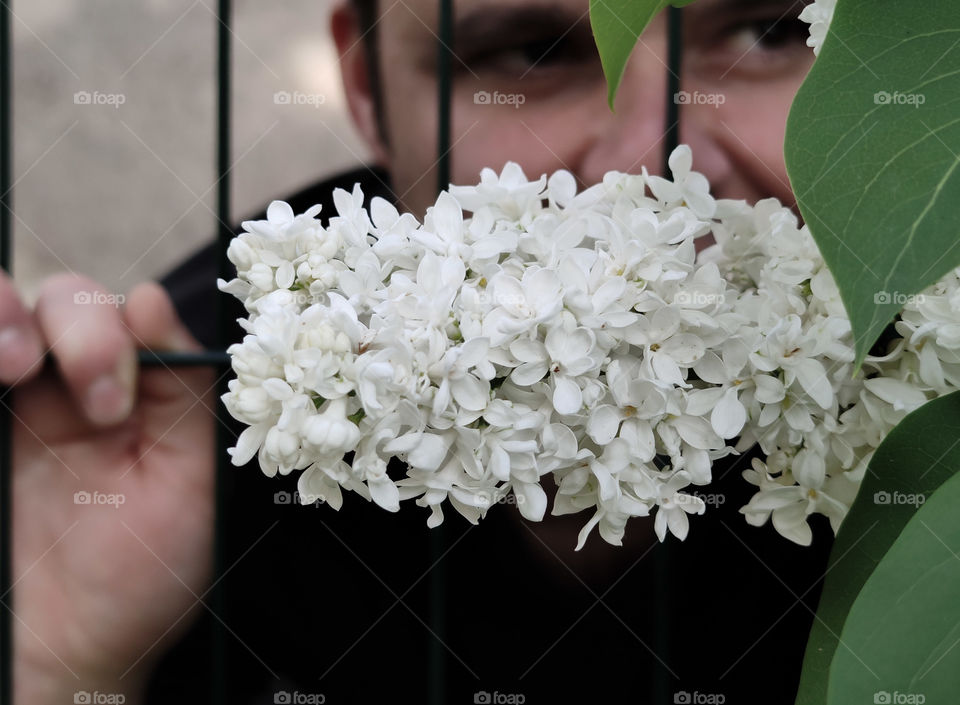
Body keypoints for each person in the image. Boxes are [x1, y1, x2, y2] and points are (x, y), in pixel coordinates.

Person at [2, 0, 830, 703]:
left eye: (771, 32)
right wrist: (49, 662)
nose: (651, 164)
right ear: (367, 91)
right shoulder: (177, 423)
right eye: (530, 54)